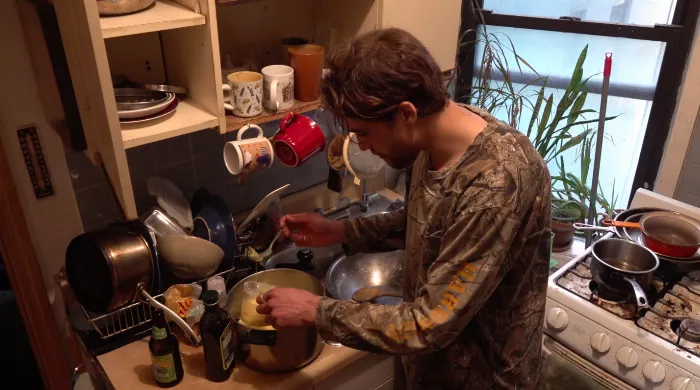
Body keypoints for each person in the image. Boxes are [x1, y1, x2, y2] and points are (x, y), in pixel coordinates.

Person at [255, 28, 551, 390]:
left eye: (363, 133)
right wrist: (342, 232)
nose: (362, 146)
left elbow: (430, 323)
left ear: (407, 113)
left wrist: (314, 310)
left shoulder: (497, 182)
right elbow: (428, 225)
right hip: (431, 374)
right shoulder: (434, 140)